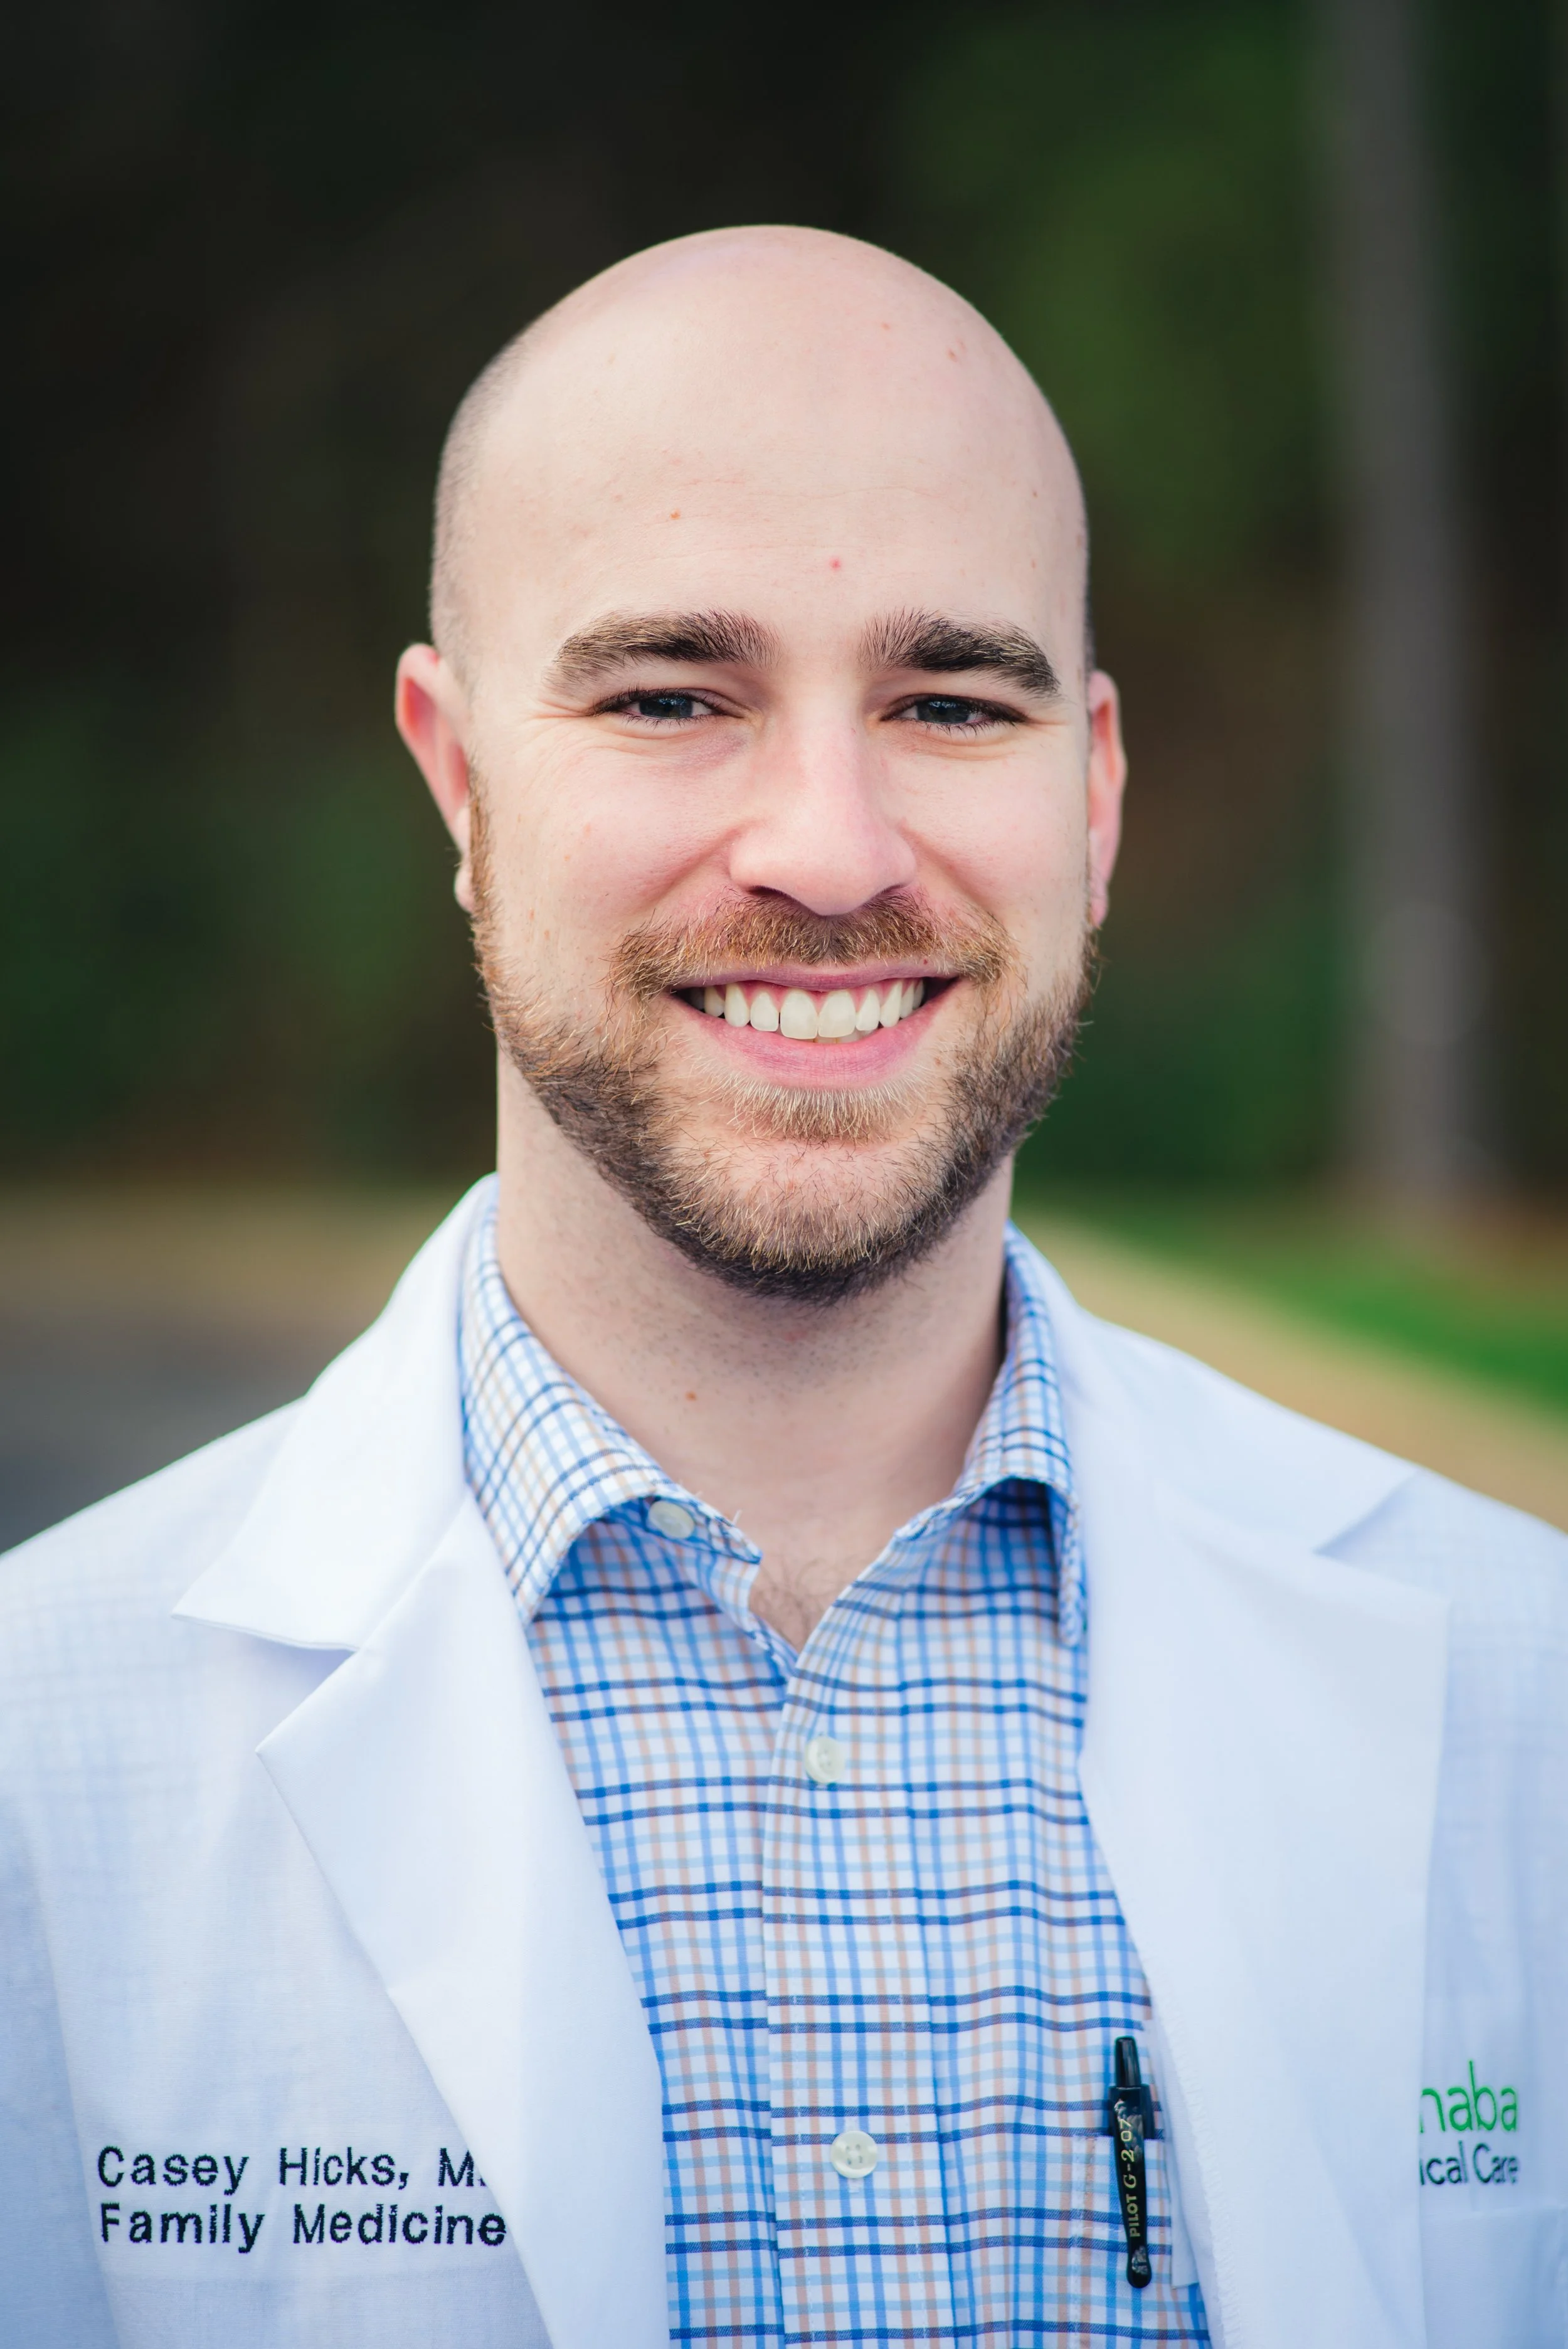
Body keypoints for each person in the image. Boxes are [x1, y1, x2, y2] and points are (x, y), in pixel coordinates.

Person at [1, 227, 1562, 2349]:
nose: (827, 849)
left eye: (950, 701)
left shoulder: (1530, 1703)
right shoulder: (35, 1765)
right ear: (457, 778)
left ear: (1092, 793)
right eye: (669, 696)